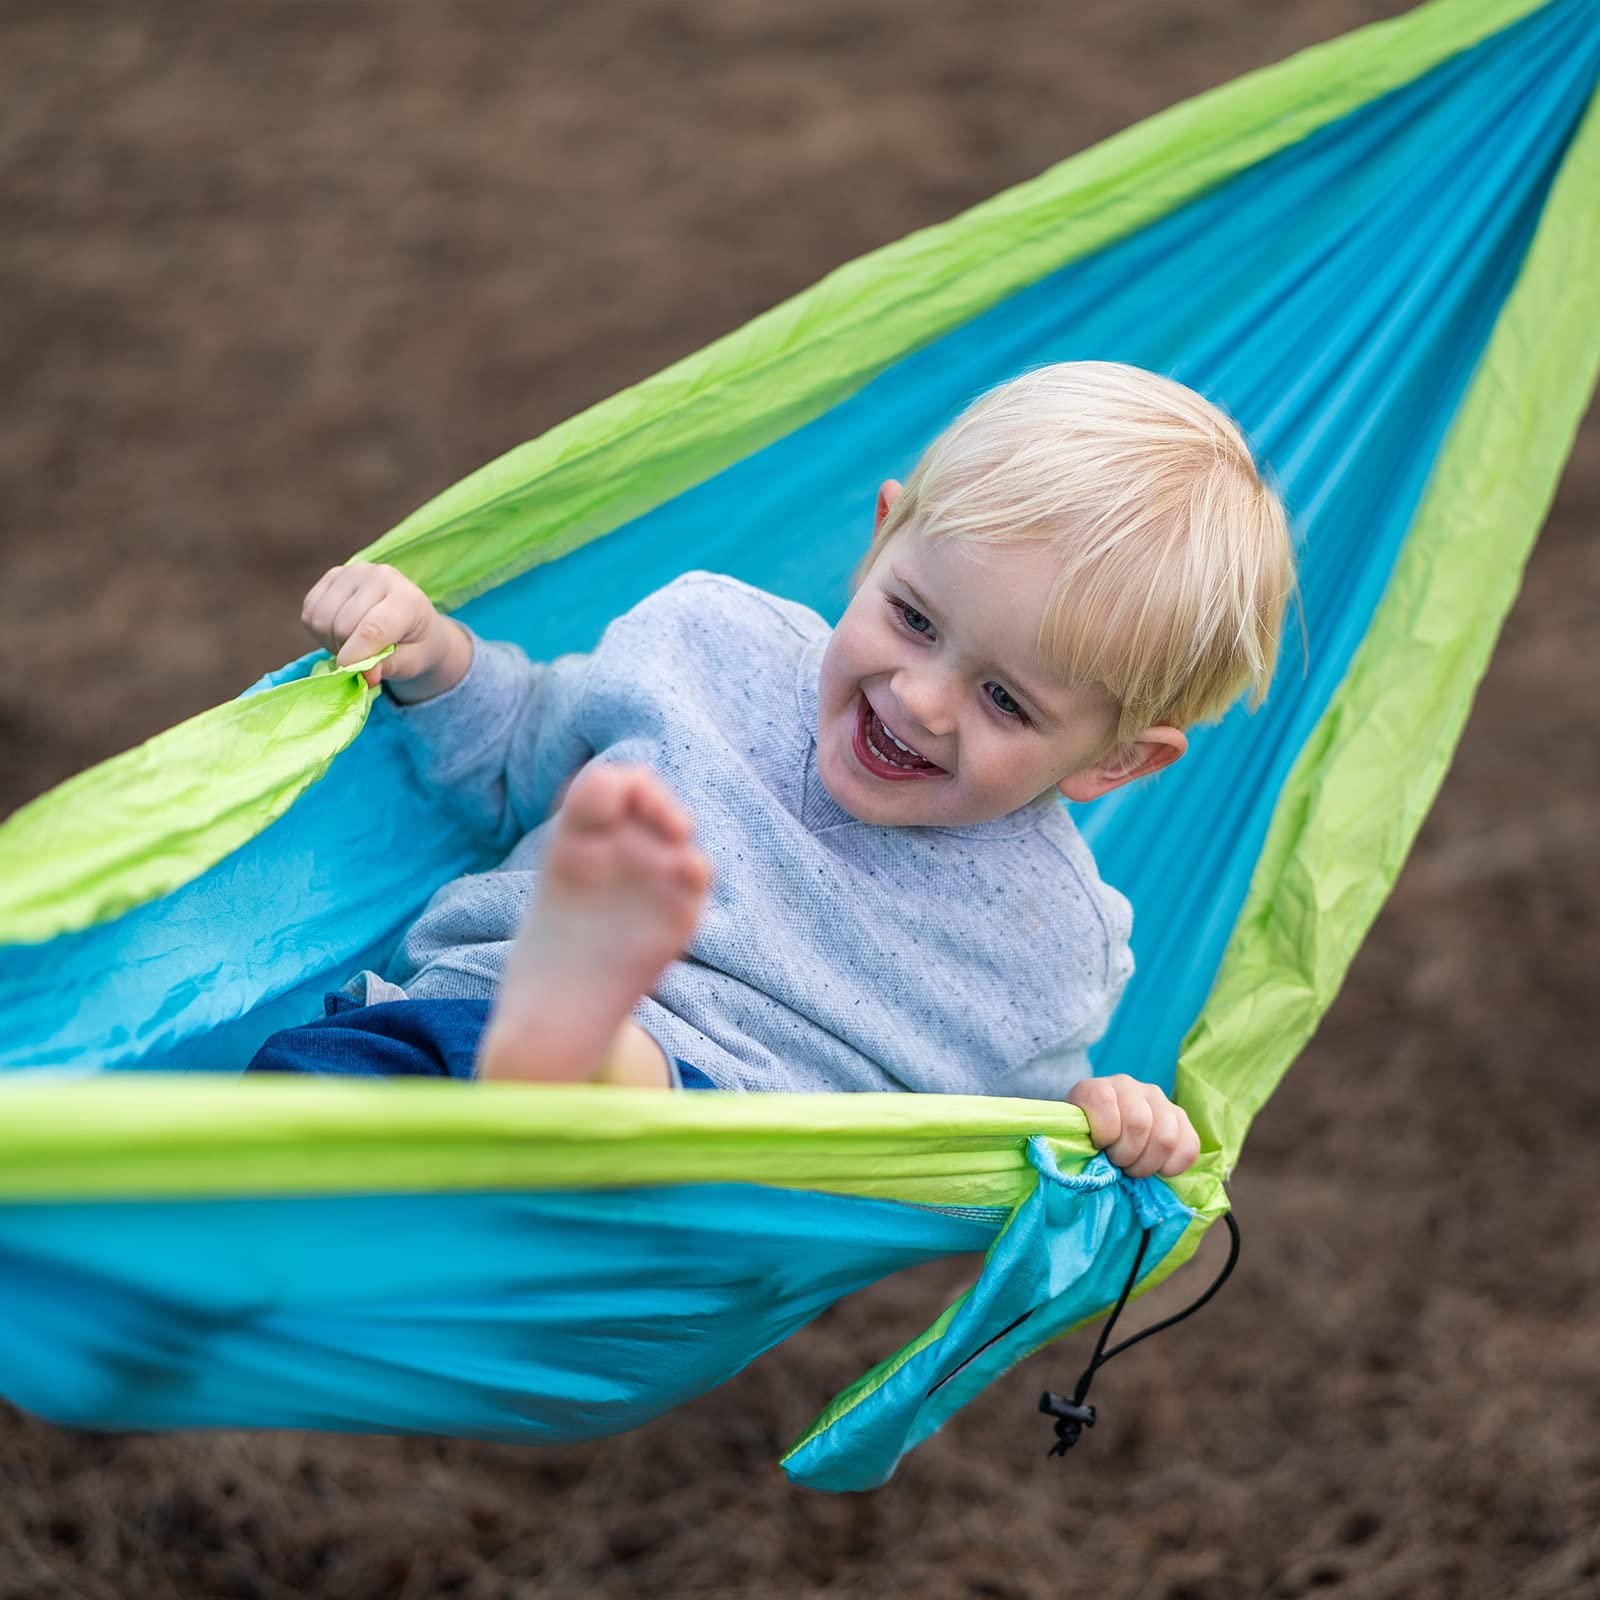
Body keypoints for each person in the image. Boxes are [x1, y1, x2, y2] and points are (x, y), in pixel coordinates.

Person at [248, 362, 1295, 1181]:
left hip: (703, 1172)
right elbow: (525, 756)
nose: (922, 700)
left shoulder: (1049, 941)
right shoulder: (702, 648)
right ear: (881, 540)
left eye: (1005, 701)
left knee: (636, 1120)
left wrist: (1105, 1119)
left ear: (1117, 759)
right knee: (283, 1103)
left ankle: (582, 1052)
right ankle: (551, 1048)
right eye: (912, 618)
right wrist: (437, 659)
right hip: (439, 1037)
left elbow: (1005, 1132)